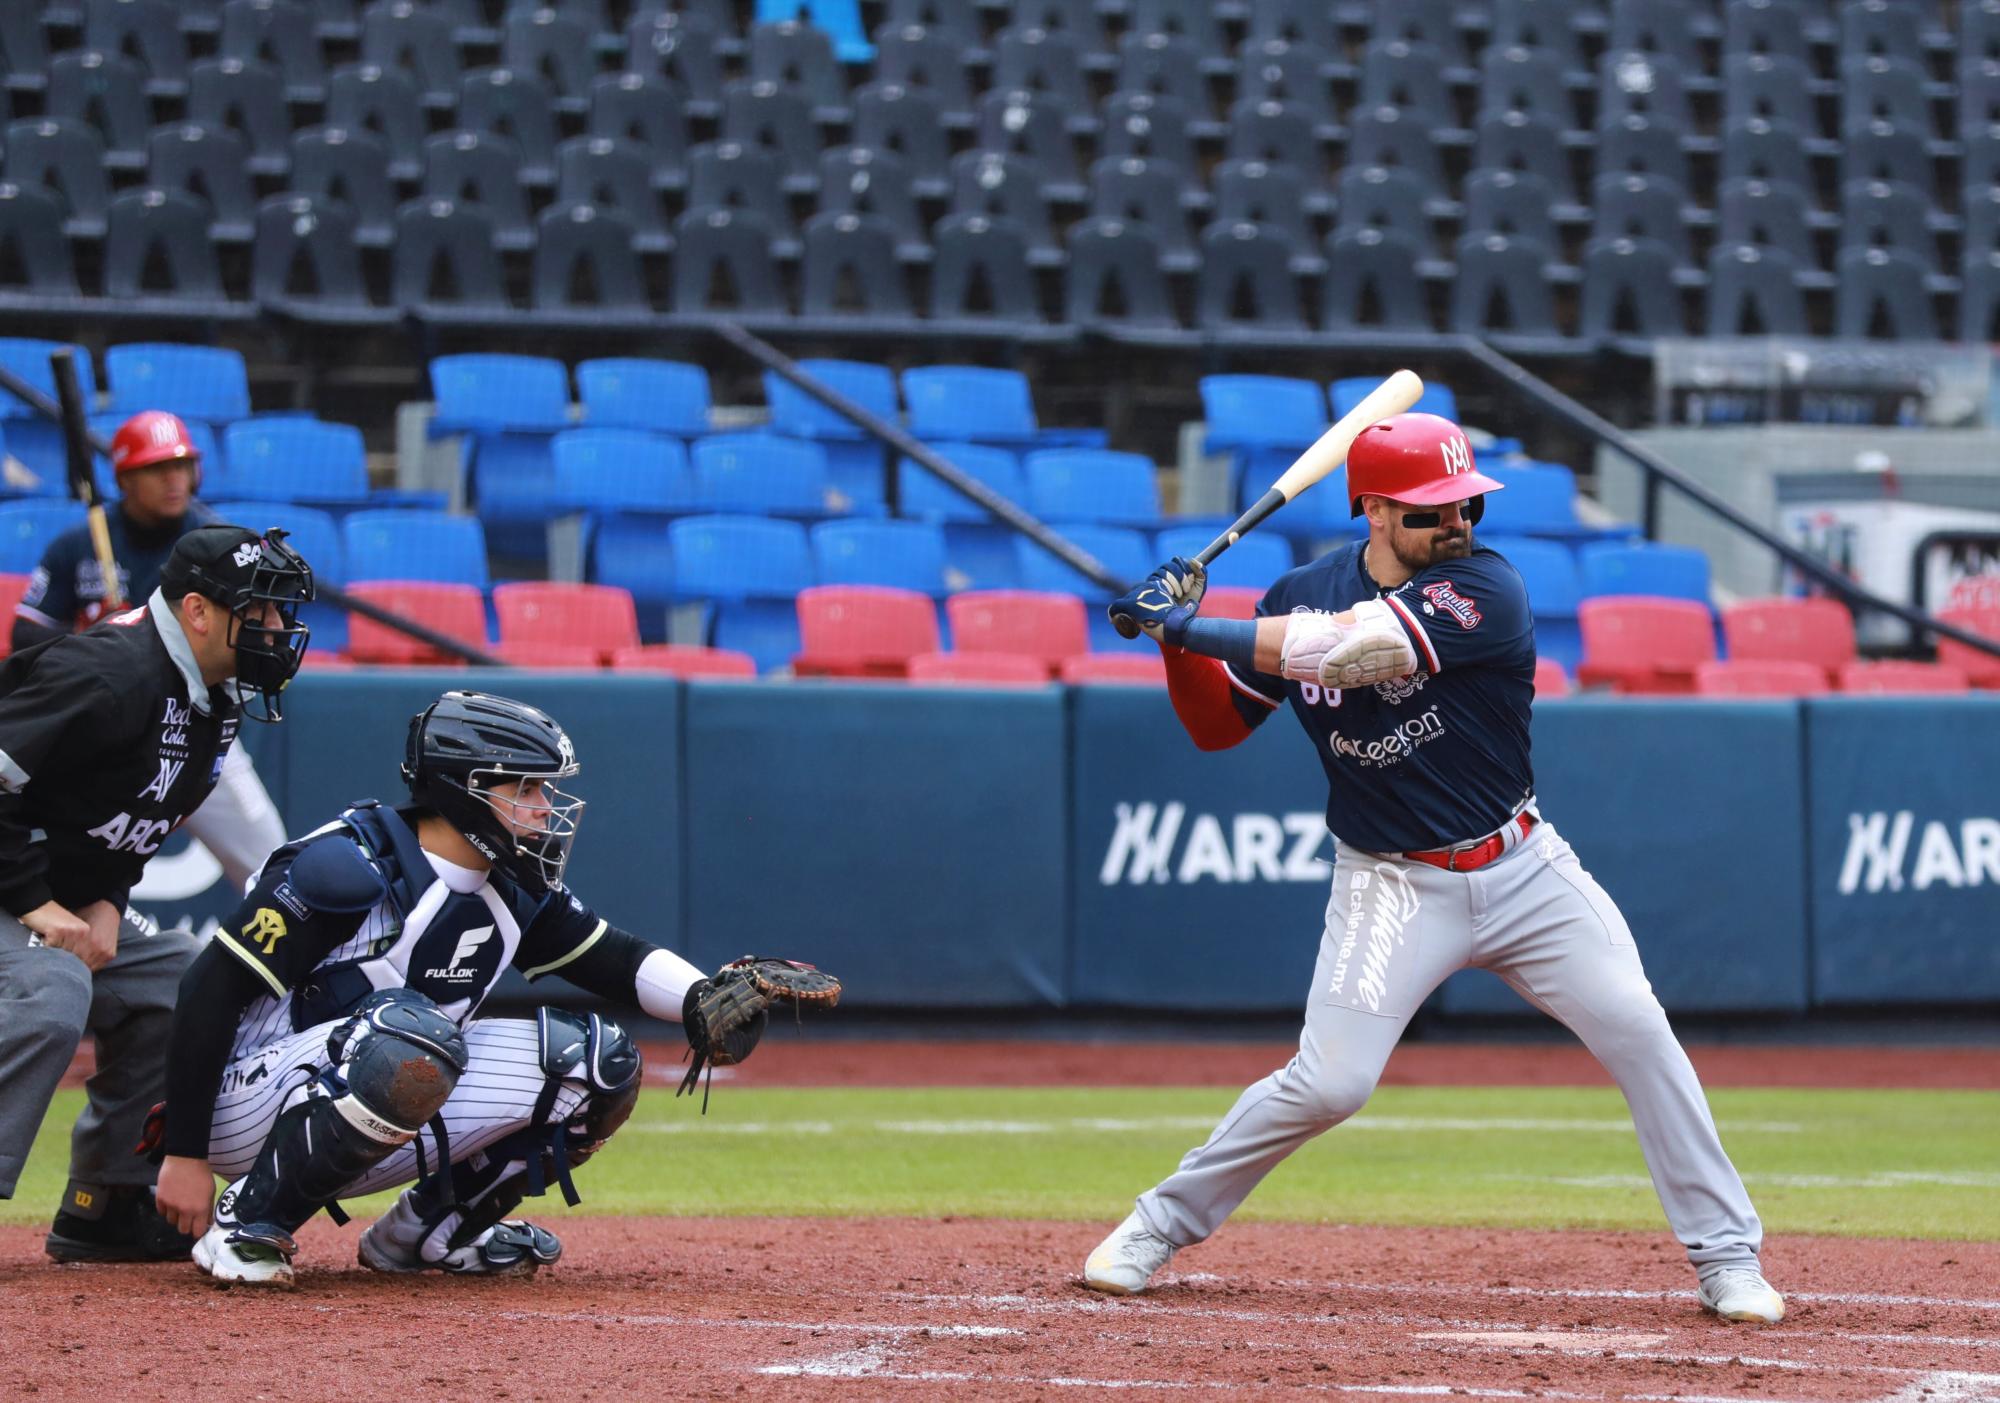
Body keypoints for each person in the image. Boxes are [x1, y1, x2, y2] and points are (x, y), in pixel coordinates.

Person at [1084, 413, 1785, 1325]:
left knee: (1640, 1031)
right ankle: (1156, 1224)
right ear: (1373, 511)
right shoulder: (1305, 588)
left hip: (1525, 869)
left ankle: (1728, 1257)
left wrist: (1190, 620)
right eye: (1430, 511)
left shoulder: (1486, 587)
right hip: (1389, 881)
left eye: (1464, 504)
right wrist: (1178, 645)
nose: (1455, 523)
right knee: (1333, 1080)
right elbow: (1216, 726)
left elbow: (1349, 651)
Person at [152, 691, 809, 1288]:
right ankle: (249, 1223)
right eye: (526, 787)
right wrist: (184, 1154)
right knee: (412, 1032)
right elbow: (208, 988)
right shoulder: (346, 864)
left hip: (387, 1074)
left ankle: (426, 1236)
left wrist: (702, 997)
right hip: (240, 1105)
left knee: (598, 1065)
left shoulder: (515, 888)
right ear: (465, 790)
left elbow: (618, 958)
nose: (545, 808)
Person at [0, 524, 314, 1261]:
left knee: (182, 977)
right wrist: (37, 905)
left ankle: (104, 1202)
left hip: (46, 888)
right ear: (199, 611)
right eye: (260, 612)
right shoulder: (109, 672)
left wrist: (106, 897)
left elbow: (127, 814)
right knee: (52, 988)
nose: (276, 631)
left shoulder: (215, 693)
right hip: (14, 887)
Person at [12, 410, 288, 894]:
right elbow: (26, 633)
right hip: (109, 717)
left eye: (181, 466)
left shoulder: (216, 547)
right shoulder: (78, 545)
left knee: (271, 859)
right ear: (125, 477)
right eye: (157, 468)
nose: (173, 479)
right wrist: (100, 642)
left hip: (200, 722)